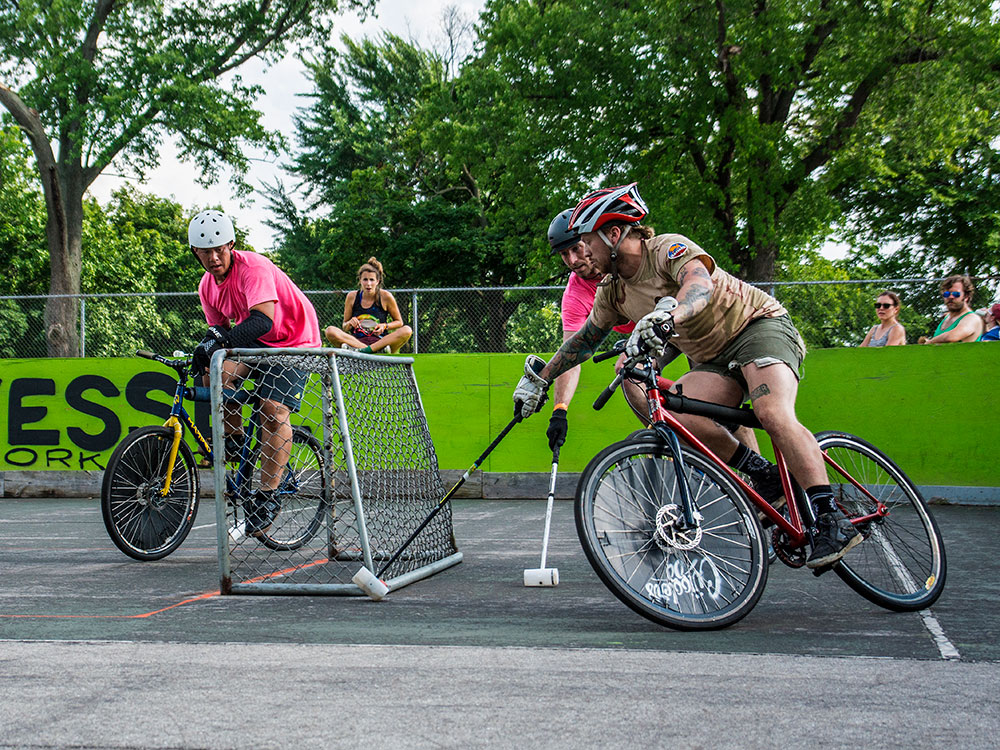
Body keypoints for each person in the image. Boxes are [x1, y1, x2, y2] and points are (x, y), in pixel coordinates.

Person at [512, 183, 861, 569]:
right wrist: (540, 379)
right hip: (712, 358)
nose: (580, 255)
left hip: (756, 327)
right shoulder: (611, 292)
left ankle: (832, 516)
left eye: (586, 242)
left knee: (771, 412)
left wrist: (669, 315)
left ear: (613, 234)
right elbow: (585, 340)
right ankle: (766, 475)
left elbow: (699, 284)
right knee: (680, 417)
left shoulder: (664, 249)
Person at [545, 209, 763, 466]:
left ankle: (754, 467)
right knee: (628, 371)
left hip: (680, 318)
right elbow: (576, 347)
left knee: (718, 402)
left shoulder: (635, 257)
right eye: (563, 254)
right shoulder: (578, 293)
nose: (573, 259)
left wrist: (672, 316)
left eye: (579, 248)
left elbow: (691, 281)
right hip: (645, 334)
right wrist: (559, 408)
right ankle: (669, 434)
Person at [188, 209, 321, 538]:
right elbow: (218, 330)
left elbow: (263, 321)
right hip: (258, 344)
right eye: (206, 252)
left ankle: (267, 495)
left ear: (231, 245)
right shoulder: (207, 286)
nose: (214, 257)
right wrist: (205, 349)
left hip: (295, 341)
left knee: (272, 412)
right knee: (213, 372)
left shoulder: (254, 268)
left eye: (220, 249)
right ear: (195, 253)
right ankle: (234, 443)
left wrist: (218, 340)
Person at [324, 257, 412, 354]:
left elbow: (399, 322)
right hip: (356, 342)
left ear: (377, 281)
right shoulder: (352, 296)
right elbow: (344, 326)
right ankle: (373, 351)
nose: (368, 284)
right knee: (330, 331)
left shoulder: (385, 296)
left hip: (381, 342)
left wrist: (385, 326)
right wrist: (349, 323)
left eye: (372, 280)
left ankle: (365, 351)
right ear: (360, 280)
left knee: (407, 330)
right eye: (365, 280)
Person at [918, 275, 984, 344]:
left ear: (966, 296)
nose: (951, 297)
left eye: (956, 294)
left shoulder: (972, 318)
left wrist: (929, 342)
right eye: (946, 294)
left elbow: (951, 337)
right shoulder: (947, 318)